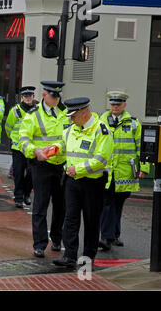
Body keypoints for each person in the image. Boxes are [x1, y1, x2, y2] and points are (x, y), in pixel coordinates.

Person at [51, 97, 114, 267]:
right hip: (72, 182)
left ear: (84, 112)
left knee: (91, 221)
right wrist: (48, 152)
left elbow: (101, 159)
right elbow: (61, 147)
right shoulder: (71, 129)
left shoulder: (101, 130)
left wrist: (78, 169)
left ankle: (87, 258)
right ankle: (69, 256)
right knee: (70, 219)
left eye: (73, 115)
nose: (70, 119)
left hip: (93, 183)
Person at [18, 81, 70, 258]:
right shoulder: (33, 115)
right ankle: (39, 244)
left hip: (61, 165)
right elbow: (23, 140)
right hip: (41, 165)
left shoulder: (66, 114)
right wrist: (35, 151)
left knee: (61, 206)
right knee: (40, 205)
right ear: (44, 96)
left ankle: (56, 238)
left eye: (58, 96)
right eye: (52, 96)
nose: (56, 99)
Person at [98, 91, 150, 250]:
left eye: (118, 104)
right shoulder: (101, 121)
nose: (114, 107)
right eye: (112, 104)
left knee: (118, 204)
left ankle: (114, 235)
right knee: (107, 203)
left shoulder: (134, 123)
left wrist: (145, 168)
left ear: (124, 105)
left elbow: (142, 147)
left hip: (126, 172)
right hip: (106, 171)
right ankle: (107, 237)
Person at [5, 86, 38, 208]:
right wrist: (14, 139)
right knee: (18, 173)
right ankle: (18, 197)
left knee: (31, 172)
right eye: (25, 96)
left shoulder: (38, 111)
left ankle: (27, 194)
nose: (28, 98)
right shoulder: (15, 111)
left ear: (33, 97)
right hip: (18, 147)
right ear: (22, 97)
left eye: (30, 96)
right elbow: (8, 127)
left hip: (32, 147)